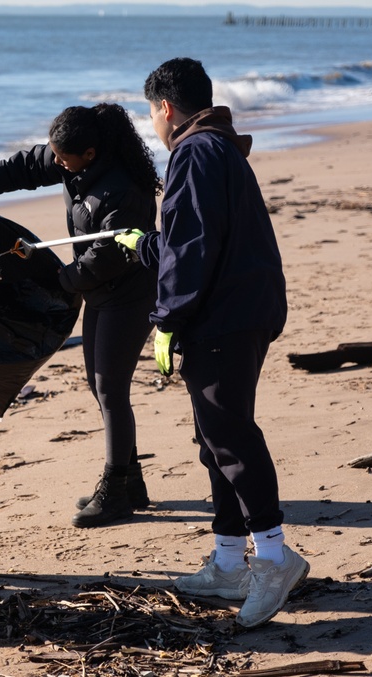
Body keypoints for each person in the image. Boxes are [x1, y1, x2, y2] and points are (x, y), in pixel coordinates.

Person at [116, 57, 309, 628]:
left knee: (228, 432)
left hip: (225, 316)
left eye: (150, 111)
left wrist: (167, 318)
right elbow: (189, 240)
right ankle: (228, 560)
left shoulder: (195, 152)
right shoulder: (216, 147)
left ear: (166, 108)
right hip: (239, 308)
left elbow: (195, 245)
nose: (151, 122)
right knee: (212, 434)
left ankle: (273, 558)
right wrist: (146, 246)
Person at [0, 104, 160, 529]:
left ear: (91, 153)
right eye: (56, 155)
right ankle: (132, 481)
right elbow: (26, 166)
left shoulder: (124, 190)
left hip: (129, 294)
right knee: (98, 386)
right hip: (100, 293)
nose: (57, 162)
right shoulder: (71, 158)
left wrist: (58, 280)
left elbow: (106, 257)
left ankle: (116, 489)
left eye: (64, 158)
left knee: (110, 387)